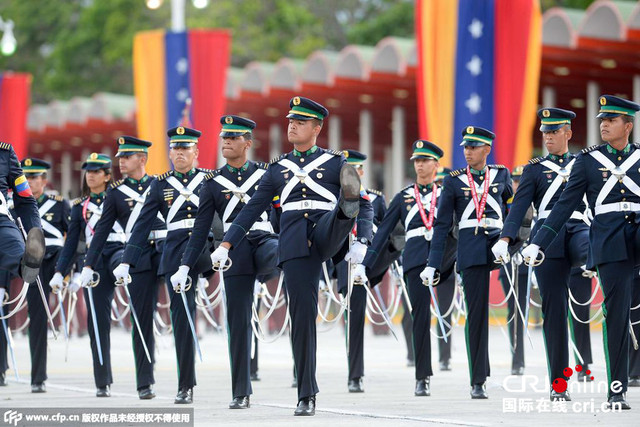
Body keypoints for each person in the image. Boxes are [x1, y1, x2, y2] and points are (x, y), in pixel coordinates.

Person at [210, 96, 373, 416]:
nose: (292, 125)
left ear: (317, 127)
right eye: (290, 121)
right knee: (301, 319)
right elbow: (249, 212)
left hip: (326, 232)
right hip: (295, 245)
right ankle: (306, 394)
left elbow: (367, 206)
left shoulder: (335, 164)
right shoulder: (277, 169)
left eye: (300, 121)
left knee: (343, 212)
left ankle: (344, 215)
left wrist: (363, 240)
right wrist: (225, 245)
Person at [522, 95, 640, 409]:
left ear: (627, 126)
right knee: (616, 315)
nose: (603, 125)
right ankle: (617, 390)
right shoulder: (588, 161)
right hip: (611, 240)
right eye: (602, 120)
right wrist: (538, 242)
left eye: (611, 120)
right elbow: (564, 206)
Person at [171, 115, 279, 409]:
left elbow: (280, 214)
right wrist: (184, 265)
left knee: (280, 251)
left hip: (266, 239)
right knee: (238, 321)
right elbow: (200, 229)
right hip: (234, 251)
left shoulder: (267, 175)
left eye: (233, 138)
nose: (227, 143)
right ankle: (241, 391)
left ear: (248, 143)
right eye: (224, 138)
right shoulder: (212, 183)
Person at [113, 126, 212, 405]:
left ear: (196, 152)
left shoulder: (209, 180)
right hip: (175, 255)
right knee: (182, 320)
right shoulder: (161, 184)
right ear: (169, 153)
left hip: (205, 252)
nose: (179, 153)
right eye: (175, 148)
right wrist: (126, 261)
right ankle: (185, 385)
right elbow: (143, 223)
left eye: (185, 148)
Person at [499, 108, 589, 401]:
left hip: (579, 230)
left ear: (568, 133)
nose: (548, 137)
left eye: (554, 131)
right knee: (554, 311)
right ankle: (558, 383)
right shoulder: (535, 170)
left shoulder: (584, 164)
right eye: (545, 132)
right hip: (547, 240)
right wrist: (506, 237)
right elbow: (519, 208)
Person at [422, 126, 513, 399]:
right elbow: (441, 226)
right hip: (471, 249)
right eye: (465, 147)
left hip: (498, 244)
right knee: (477, 315)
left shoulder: (501, 174)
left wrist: (510, 241)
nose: (468, 152)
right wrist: (433, 263)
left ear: (487, 149)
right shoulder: (453, 180)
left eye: (473, 147)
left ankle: (506, 365)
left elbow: (512, 210)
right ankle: (478, 379)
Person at [358, 140, 448, 397]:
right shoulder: (403, 197)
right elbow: (383, 234)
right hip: (416, 260)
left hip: (444, 259)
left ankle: (462, 368)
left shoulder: (447, 195)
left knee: (448, 313)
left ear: (436, 165)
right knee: (420, 317)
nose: (419, 165)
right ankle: (423, 376)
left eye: (424, 160)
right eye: (416, 161)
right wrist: (366, 265)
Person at [78, 136, 165, 400]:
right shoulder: (115, 193)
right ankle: (125, 381)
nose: (121, 162)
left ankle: (162, 382)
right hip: (133, 257)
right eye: (120, 158)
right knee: (136, 320)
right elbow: (102, 230)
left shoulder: (159, 185)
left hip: (159, 254)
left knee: (155, 317)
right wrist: (89, 264)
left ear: (142, 158)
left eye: (126, 157)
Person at [50, 153, 124, 397]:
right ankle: (102, 381)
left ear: (107, 176)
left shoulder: (121, 197)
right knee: (96, 322)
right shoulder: (79, 206)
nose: (90, 175)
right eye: (88, 171)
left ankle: (147, 376)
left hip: (121, 253)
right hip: (93, 262)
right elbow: (72, 243)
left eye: (96, 171)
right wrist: (61, 272)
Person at [333, 149, 386, 393]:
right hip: (343, 259)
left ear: (362, 171)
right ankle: (353, 372)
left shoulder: (375, 199)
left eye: (355, 168)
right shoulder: (335, 195)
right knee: (351, 317)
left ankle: (356, 373)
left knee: (356, 317)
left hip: (365, 261)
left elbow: (386, 233)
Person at [20, 158, 70, 393]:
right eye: (26, 177)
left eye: (33, 177)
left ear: (44, 180)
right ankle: (37, 377)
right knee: (37, 318)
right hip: (32, 264)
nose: (30, 181)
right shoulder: (16, 206)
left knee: (63, 312)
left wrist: (74, 268)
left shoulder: (59, 204)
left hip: (57, 261)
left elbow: (74, 238)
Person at [0, 142, 45, 387]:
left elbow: (25, 199)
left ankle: (27, 263)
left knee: (17, 248)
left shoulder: (5, 154)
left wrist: (33, 230)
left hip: (0, 218)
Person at [496, 165, 530, 377]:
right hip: (510, 263)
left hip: (531, 262)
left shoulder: (533, 201)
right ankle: (517, 359)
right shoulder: (503, 204)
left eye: (520, 181)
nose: (517, 184)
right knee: (515, 312)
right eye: (514, 181)